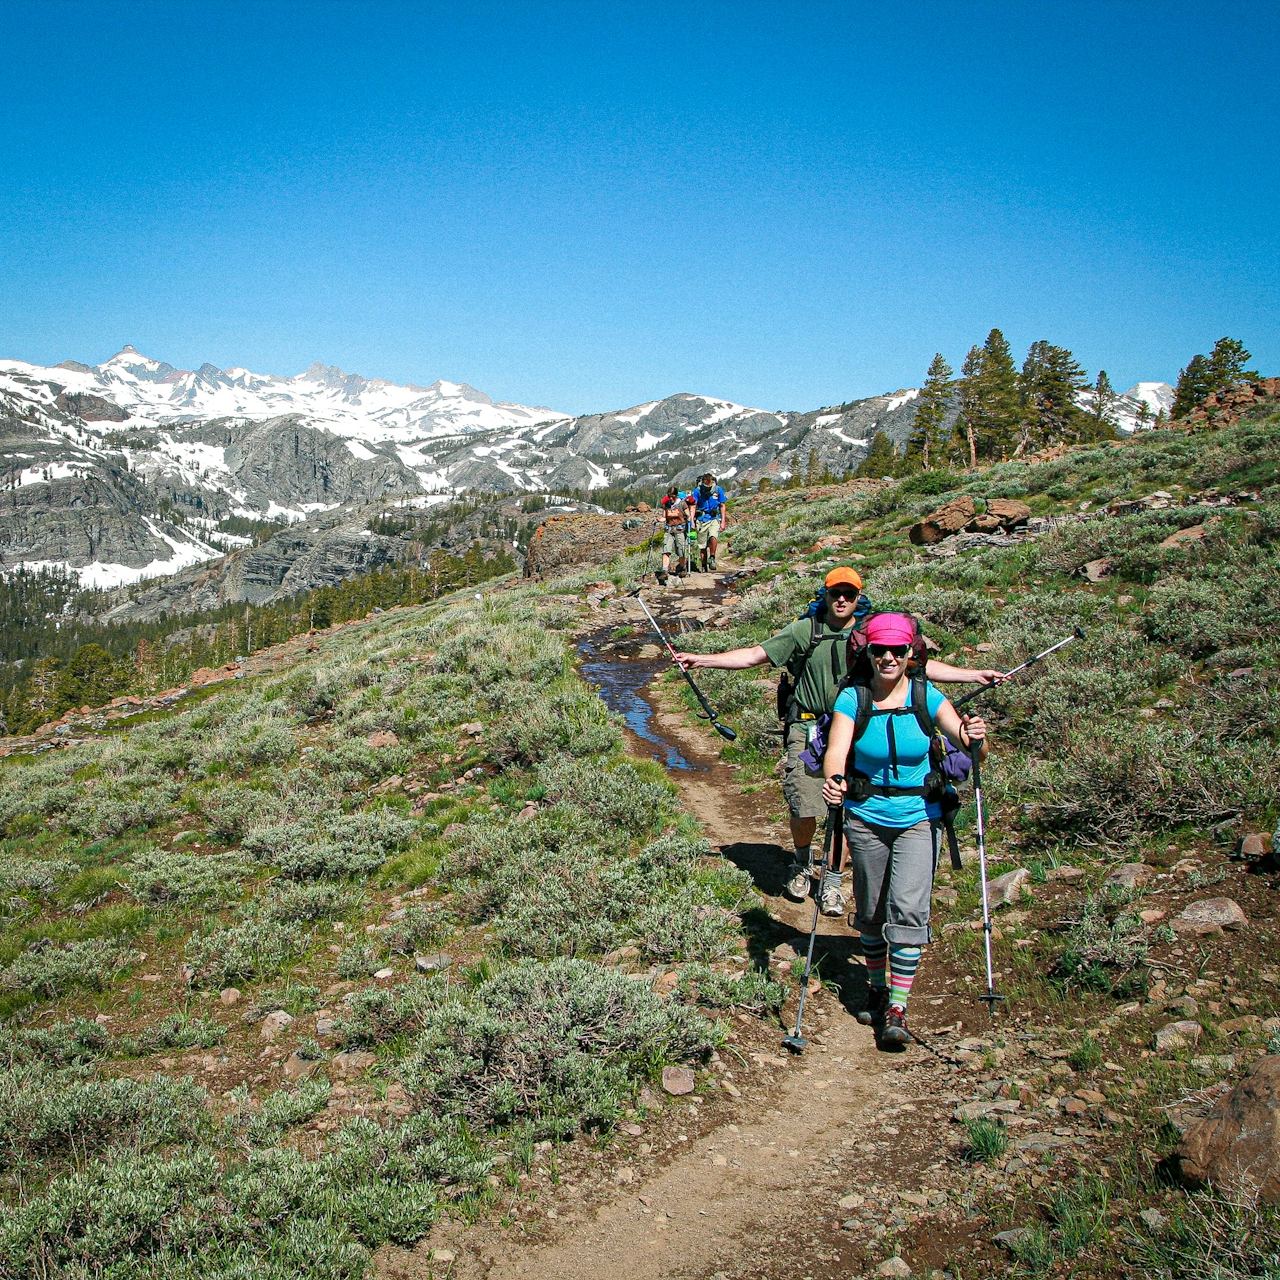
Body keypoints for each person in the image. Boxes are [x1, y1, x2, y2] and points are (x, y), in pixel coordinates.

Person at [675, 569, 1002, 914]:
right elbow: (755, 655)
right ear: (825, 595)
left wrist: (973, 675)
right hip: (808, 726)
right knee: (803, 805)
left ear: (859, 596)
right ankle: (802, 862)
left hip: (860, 728)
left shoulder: (870, 635)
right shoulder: (806, 630)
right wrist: (701, 660)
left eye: (849, 593)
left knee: (847, 806)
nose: (842, 599)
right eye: (835, 593)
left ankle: (832, 879)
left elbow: (913, 666)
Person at [821, 612, 989, 1047]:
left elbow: (972, 749)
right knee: (872, 911)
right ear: (870, 653)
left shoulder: (926, 695)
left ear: (911, 654)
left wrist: (976, 735)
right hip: (865, 816)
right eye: (881, 650)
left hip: (919, 816)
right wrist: (835, 782)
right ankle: (876, 987)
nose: (890, 657)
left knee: (910, 910)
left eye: (899, 650)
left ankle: (897, 1007)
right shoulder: (852, 700)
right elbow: (836, 751)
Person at [658, 485, 694, 580]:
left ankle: (682, 568)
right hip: (669, 531)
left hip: (680, 531)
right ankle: (664, 571)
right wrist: (657, 520)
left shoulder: (682, 504)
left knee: (681, 551)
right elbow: (664, 517)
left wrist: (689, 519)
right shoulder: (667, 505)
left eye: (672, 496)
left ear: (676, 495)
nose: (671, 498)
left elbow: (688, 515)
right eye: (669, 496)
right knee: (666, 549)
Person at [692, 473, 727, 571]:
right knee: (702, 545)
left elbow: (722, 505)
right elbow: (693, 506)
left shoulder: (718, 490)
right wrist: (692, 520)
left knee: (713, 536)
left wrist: (723, 521)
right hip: (702, 519)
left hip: (714, 518)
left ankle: (712, 557)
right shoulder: (697, 491)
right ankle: (703, 565)